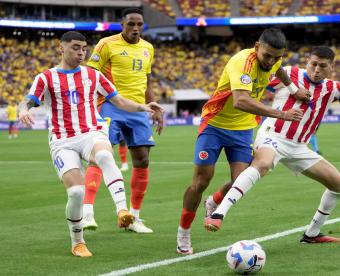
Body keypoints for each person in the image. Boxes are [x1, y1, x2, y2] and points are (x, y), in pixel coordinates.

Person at [204, 46, 340, 244]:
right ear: (307, 62)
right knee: (262, 164)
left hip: (299, 147)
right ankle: (218, 214)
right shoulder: (289, 73)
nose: (316, 69)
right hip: (273, 135)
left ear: (331, 67)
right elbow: (257, 82)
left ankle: (312, 234)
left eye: (322, 66)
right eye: (313, 64)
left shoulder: (334, 88)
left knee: (339, 185)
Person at [17, 31, 162, 257]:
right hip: (63, 141)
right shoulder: (46, 77)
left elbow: (119, 101)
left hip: (91, 133)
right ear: (61, 48)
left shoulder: (93, 76)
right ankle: (78, 241)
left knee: (104, 155)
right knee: (75, 192)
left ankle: (122, 210)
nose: (81, 52)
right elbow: (28, 101)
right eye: (75, 47)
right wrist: (24, 110)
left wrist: (143, 107)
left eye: (84, 48)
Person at [177, 28, 309, 255]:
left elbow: (279, 71)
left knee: (241, 181)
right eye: (267, 55)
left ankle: (214, 201)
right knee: (201, 181)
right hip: (215, 125)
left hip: (243, 129)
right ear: (257, 46)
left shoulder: (274, 60)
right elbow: (240, 101)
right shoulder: (242, 63)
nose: (272, 61)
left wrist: (293, 89)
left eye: (277, 57)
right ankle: (183, 233)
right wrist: (282, 114)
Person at [82, 8, 163, 234]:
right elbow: (90, 75)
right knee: (101, 155)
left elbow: (146, 80)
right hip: (111, 105)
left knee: (143, 159)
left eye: (139, 24)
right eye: (131, 24)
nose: (135, 29)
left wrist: (153, 105)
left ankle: (133, 218)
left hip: (138, 109)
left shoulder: (148, 48)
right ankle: (87, 212)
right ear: (122, 24)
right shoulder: (106, 44)